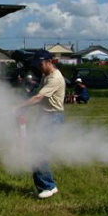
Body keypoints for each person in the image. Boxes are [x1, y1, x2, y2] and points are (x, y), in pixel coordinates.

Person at [15, 49, 65, 199]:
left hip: (52, 118)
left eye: (41, 64)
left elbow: (38, 98)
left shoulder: (55, 78)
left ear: (49, 62)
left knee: (39, 151)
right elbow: (41, 99)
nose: (39, 67)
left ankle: (48, 186)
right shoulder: (46, 75)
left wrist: (19, 107)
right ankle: (45, 185)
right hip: (44, 116)